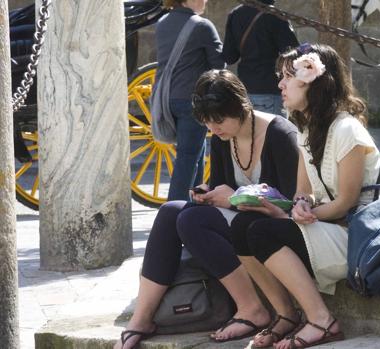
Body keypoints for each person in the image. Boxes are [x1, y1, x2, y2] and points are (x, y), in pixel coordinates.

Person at [114, 69, 299, 349]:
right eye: (208, 122)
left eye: (219, 120)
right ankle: (141, 319)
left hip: (272, 230)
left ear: (241, 106)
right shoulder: (224, 137)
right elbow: (220, 187)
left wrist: (234, 198)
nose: (214, 128)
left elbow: (291, 203)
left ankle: (252, 308)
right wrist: (207, 194)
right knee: (171, 212)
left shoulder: (280, 134)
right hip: (241, 225)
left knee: (191, 220)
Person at [232, 43, 380, 349]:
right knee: (240, 226)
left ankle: (322, 320)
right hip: (328, 225)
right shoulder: (308, 129)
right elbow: (305, 191)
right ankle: (286, 315)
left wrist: (303, 215)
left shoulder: (347, 130)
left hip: (355, 236)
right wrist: (300, 205)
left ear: (313, 82)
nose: (280, 84)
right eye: (281, 76)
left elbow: (347, 203)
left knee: (263, 233)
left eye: (288, 76)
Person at [156, 0, 225, 201]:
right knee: (187, 157)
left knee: (196, 153)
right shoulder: (202, 25)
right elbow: (219, 65)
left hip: (167, 99)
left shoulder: (162, 23)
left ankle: (195, 202)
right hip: (193, 101)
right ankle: (174, 208)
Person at [222, 0, 299, 115]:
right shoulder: (274, 15)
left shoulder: (235, 14)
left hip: (244, 90)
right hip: (270, 89)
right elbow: (293, 54)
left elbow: (229, 57)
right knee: (272, 132)